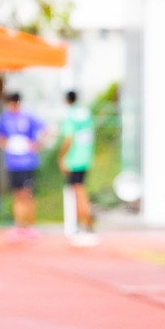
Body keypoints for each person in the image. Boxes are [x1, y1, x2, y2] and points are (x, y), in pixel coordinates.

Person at [0, 92, 48, 242]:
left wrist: (37, 145)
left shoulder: (28, 116)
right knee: (17, 194)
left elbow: (46, 129)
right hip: (13, 162)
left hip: (27, 162)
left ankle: (30, 227)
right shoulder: (5, 118)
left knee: (27, 194)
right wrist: (8, 146)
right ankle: (19, 227)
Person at [57, 90, 98, 245]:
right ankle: (86, 225)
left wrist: (61, 157)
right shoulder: (86, 113)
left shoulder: (70, 116)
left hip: (74, 159)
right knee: (80, 190)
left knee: (78, 192)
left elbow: (68, 139)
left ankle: (86, 226)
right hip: (86, 156)